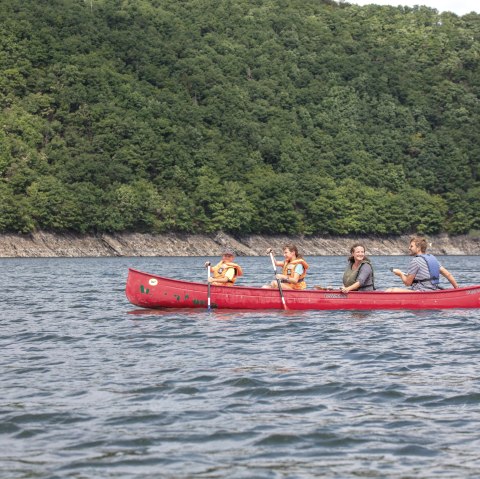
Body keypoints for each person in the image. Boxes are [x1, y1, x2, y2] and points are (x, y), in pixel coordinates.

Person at [386, 236, 459, 292]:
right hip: (432, 291)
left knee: (390, 291)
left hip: (421, 293)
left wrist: (400, 274)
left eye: (411, 246)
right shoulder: (433, 259)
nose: (409, 248)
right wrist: (457, 290)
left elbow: (408, 283)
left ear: (418, 248)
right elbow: (448, 275)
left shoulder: (415, 261)